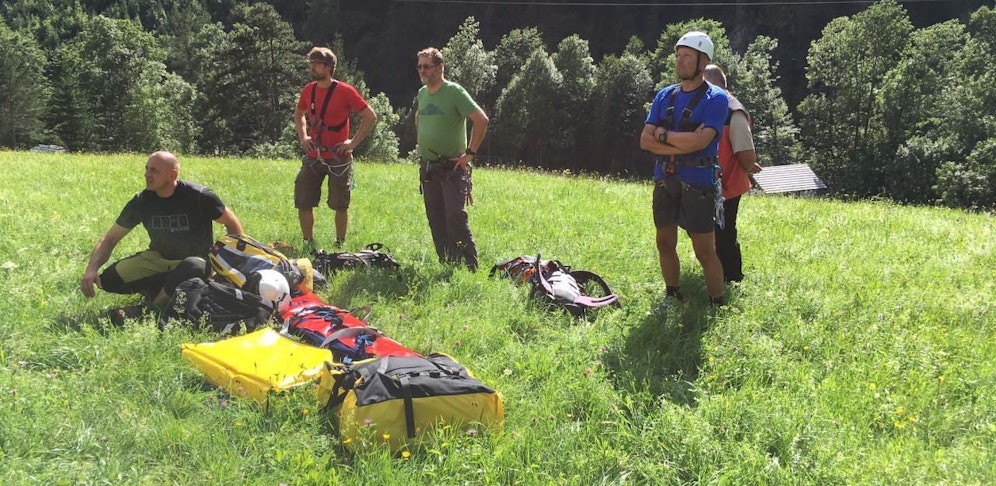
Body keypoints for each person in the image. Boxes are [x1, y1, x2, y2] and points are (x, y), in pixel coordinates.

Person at [80, 151, 244, 307]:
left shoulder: (198, 195)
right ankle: (167, 289)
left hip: (197, 261)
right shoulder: (142, 201)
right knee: (109, 279)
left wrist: (230, 262)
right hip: (159, 259)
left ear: (172, 175)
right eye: (146, 169)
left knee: (194, 266)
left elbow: (232, 223)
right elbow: (110, 238)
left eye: (154, 171)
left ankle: (154, 307)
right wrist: (91, 269)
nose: (147, 174)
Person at [639, 31, 729, 306]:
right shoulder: (664, 95)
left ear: (703, 62)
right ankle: (672, 294)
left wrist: (663, 137)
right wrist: (682, 143)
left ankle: (717, 301)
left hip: (698, 181)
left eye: (687, 55)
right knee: (664, 243)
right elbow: (645, 140)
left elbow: (701, 141)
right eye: (678, 55)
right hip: (664, 179)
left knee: (704, 251)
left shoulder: (716, 98)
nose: (680, 60)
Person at [293, 47, 377, 251]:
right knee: (303, 198)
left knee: (340, 203)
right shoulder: (308, 90)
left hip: (338, 156)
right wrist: (303, 137)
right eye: (311, 63)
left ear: (329, 67)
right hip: (314, 155)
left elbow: (370, 116)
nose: (312, 67)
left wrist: (352, 143)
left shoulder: (345, 91)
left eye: (317, 63)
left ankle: (339, 244)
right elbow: (299, 114)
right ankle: (308, 242)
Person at [414, 47, 489, 271]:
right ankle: (447, 263)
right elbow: (419, 117)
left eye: (427, 66)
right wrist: (421, 142)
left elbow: (481, 120)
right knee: (435, 217)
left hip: (452, 168)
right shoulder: (422, 93)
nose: (422, 71)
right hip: (428, 167)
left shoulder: (454, 91)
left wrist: (470, 153)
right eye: (419, 67)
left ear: (440, 67)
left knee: (454, 216)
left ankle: (469, 267)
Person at [703, 64, 762, 283]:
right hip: (711, 183)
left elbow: (746, 153)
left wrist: (746, 167)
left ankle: (733, 277)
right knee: (712, 230)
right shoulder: (712, 106)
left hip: (727, 185)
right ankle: (716, 271)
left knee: (725, 233)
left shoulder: (733, 110)